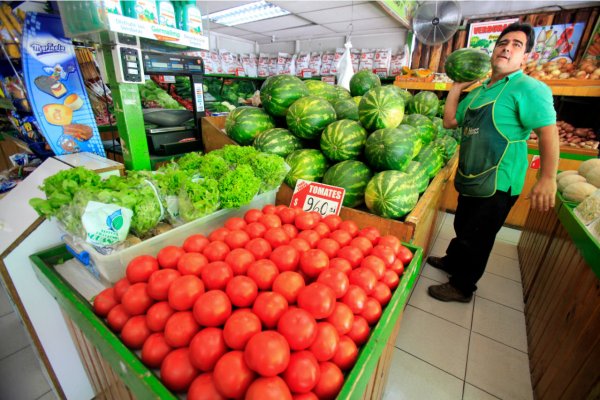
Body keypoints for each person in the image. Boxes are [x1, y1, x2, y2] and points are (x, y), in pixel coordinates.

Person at [427, 22, 559, 303]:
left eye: (516, 45)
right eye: (503, 43)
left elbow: (548, 133)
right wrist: (457, 87)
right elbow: (451, 121)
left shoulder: (529, 89)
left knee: (479, 236)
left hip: (500, 179)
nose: (507, 48)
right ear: (494, 50)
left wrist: (547, 178)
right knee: (464, 225)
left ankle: (462, 287)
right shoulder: (479, 91)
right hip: (472, 173)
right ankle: (453, 261)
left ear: (525, 57)